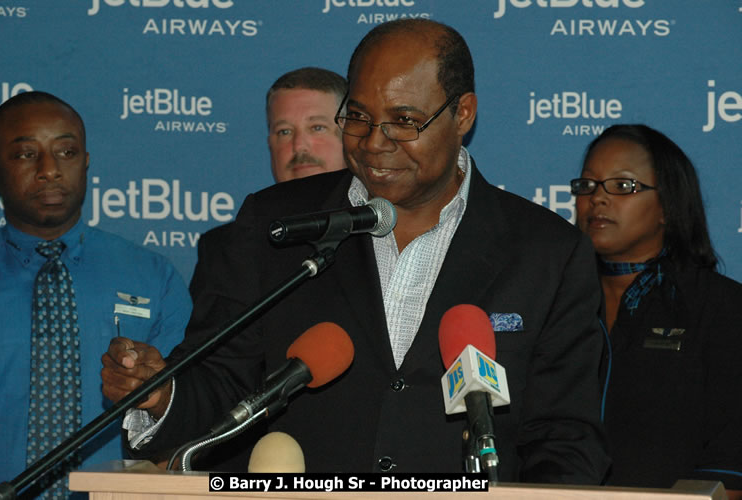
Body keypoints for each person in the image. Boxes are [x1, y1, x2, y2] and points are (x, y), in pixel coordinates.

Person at [102, 19, 609, 482]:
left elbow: (564, 437)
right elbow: (223, 385)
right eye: (360, 118)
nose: (374, 143)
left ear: (463, 114)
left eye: (403, 120)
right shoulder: (276, 226)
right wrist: (165, 394)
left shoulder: (547, 252)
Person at [0, 91, 191, 498]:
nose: (50, 170)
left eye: (66, 151)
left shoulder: (153, 277)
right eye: (27, 154)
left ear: (85, 162)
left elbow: (188, 418)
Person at [572, 124, 742, 489]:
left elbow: (732, 456)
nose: (597, 199)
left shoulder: (723, 309)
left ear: (667, 205)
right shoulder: (557, 305)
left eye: (623, 186)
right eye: (588, 185)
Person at [266, 67, 347, 183]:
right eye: (285, 132)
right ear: (270, 144)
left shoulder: (378, 199)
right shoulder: (254, 201)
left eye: (317, 128)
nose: (299, 146)